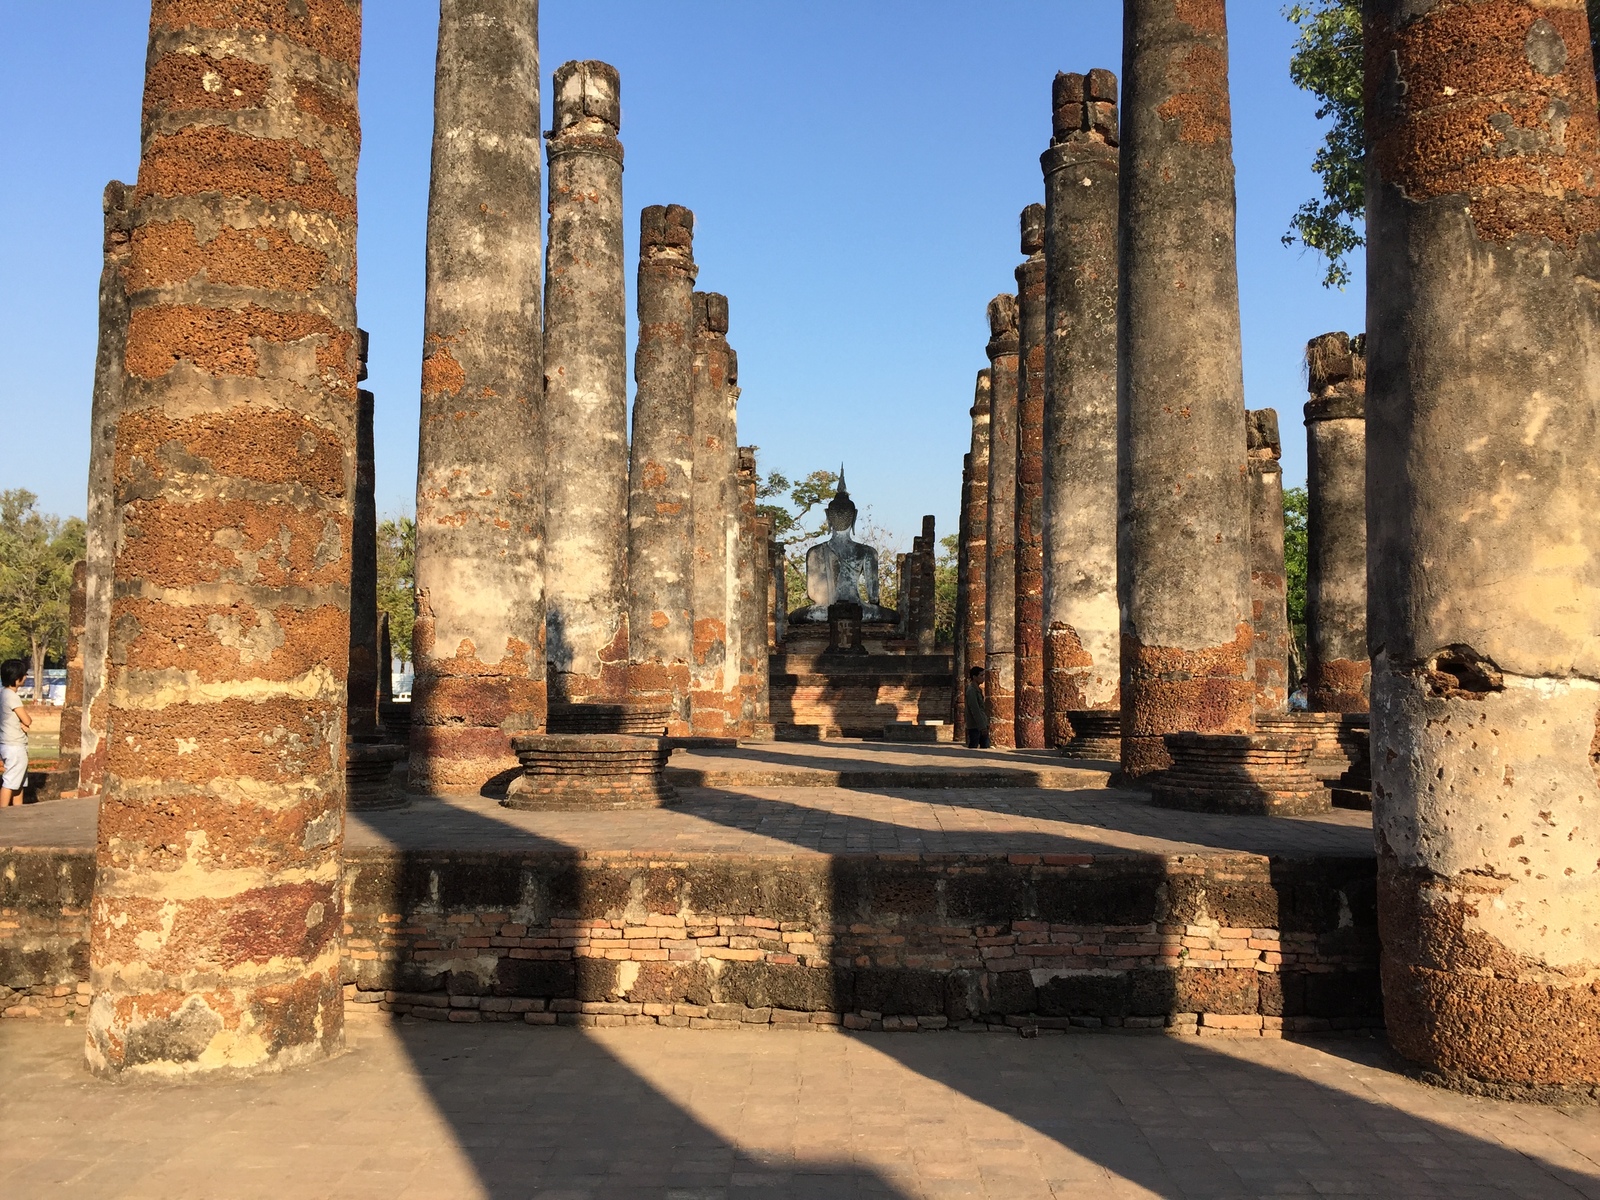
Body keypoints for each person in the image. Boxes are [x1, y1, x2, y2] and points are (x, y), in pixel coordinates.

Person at [1, 658, 32, 806]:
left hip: (8, 743)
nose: (25, 677)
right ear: (17, 678)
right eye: (24, 674)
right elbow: (27, 720)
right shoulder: (12, 696)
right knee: (10, 782)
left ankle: (18, 814)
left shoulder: (2, 694)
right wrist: (25, 723)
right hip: (15, 745)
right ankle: (4, 812)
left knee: (18, 783)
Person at [964, 665, 990, 750]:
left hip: (981, 723)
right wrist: (982, 727)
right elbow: (975, 709)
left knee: (984, 748)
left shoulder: (977, 689)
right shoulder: (971, 690)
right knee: (974, 747)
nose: (983, 678)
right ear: (974, 677)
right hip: (975, 725)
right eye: (981, 676)